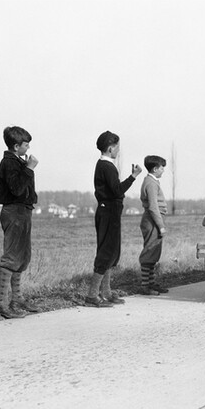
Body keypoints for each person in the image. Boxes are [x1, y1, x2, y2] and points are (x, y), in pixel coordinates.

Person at [85, 130, 142, 307]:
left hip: (110, 213)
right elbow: (117, 190)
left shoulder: (105, 164)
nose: (118, 151)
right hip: (108, 213)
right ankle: (92, 296)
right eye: (117, 147)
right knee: (106, 253)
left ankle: (106, 292)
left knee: (112, 253)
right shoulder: (107, 166)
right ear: (110, 148)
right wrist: (133, 177)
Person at [0, 125, 40, 318]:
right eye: (25, 144)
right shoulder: (9, 163)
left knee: (22, 256)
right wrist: (29, 168)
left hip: (23, 212)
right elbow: (17, 189)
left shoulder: (17, 161)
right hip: (14, 212)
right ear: (15, 146)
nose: (28, 148)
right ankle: (1, 303)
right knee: (12, 256)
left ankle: (16, 298)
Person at [138, 155, 170, 295]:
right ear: (155, 169)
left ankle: (151, 283)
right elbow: (153, 207)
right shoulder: (151, 183)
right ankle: (145, 286)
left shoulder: (153, 181)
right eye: (162, 167)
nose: (163, 170)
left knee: (153, 252)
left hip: (153, 220)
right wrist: (161, 226)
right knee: (149, 252)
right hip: (152, 220)